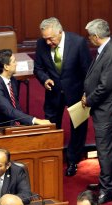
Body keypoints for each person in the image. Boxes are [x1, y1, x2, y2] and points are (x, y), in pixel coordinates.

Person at [35, 17, 92, 177]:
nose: (47, 43)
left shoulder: (78, 43)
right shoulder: (41, 44)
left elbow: (88, 71)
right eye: (45, 39)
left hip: (77, 93)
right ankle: (52, 158)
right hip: (53, 93)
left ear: (60, 32)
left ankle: (73, 160)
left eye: (50, 39)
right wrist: (44, 79)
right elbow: (38, 68)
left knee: (78, 128)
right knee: (51, 126)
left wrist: (87, 93)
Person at [82, 19, 112, 205]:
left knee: (104, 150)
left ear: (96, 36)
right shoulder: (107, 50)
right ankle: (111, 181)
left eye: (90, 36)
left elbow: (104, 87)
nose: (89, 39)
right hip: (106, 108)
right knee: (107, 148)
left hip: (107, 110)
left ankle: (107, 189)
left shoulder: (111, 54)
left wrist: (89, 99)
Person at [0, 49, 51, 129]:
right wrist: (36, 120)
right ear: (6, 66)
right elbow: (9, 110)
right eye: (14, 61)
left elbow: (16, 107)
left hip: (11, 126)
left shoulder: (12, 80)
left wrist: (26, 126)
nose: (16, 64)